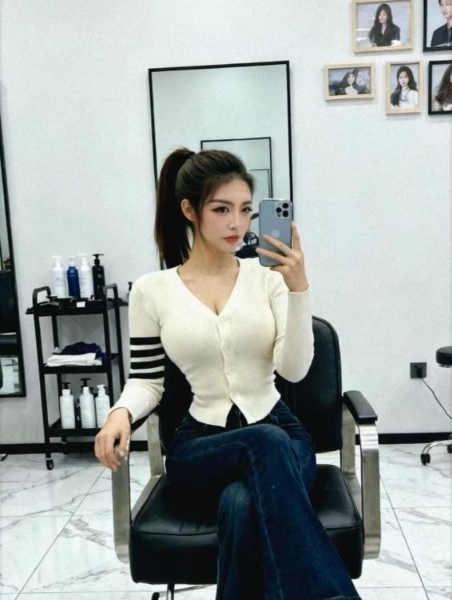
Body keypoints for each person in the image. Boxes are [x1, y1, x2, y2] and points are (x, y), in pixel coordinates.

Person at [95, 148, 362, 600]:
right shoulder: (151, 291)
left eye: (244, 210)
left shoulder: (269, 279)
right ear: (189, 210)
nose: (236, 224)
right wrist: (119, 412)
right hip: (202, 445)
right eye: (221, 210)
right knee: (263, 444)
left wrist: (299, 289)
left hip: (283, 435)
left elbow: (294, 370)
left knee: (242, 500)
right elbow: (147, 379)